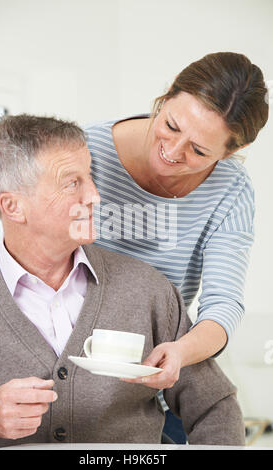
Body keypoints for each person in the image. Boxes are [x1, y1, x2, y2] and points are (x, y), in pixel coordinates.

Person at [0, 114, 245, 449]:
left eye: (90, 177)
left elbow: (215, 408)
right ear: (13, 206)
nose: (95, 196)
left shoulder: (148, 292)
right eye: (73, 183)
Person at [84, 52, 269, 441]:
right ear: (166, 96)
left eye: (200, 152)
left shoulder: (230, 189)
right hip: (72, 382)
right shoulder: (84, 153)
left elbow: (223, 303)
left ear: (228, 153)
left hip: (154, 390)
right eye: (171, 125)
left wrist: (181, 354)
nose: (173, 151)